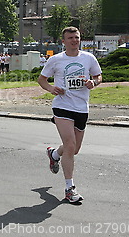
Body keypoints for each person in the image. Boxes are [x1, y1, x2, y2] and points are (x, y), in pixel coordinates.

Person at [37, 26, 102, 203]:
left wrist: (93, 83)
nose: (74, 40)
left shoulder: (89, 58)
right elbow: (42, 79)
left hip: (81, 107)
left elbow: (98, 76)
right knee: (70, 144)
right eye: (70, 38)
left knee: (74, 150)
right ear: (63, 41)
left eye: (77, 37)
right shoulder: (56, 60)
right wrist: (51, 89)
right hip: (62, 106)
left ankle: (55, 155)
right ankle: (69, 189)